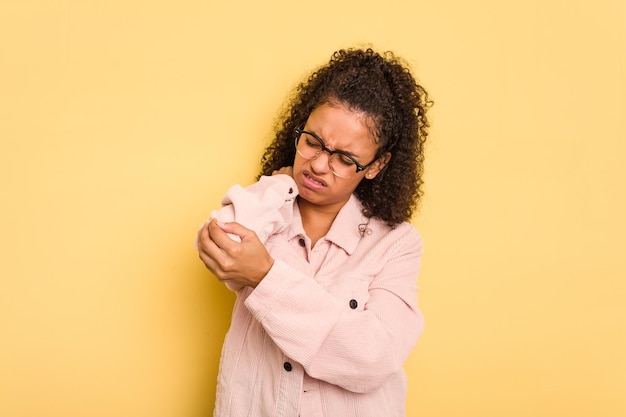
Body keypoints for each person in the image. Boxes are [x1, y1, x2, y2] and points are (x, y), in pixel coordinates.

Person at [196, 47, 432, 417]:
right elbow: (219, 241)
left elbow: (374, 356)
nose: (319, 165)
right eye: (312, 142)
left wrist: (265, 277)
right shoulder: (269, 209)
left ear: (375, 166)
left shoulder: (396, 244)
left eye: (344, 159)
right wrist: (278, 187)